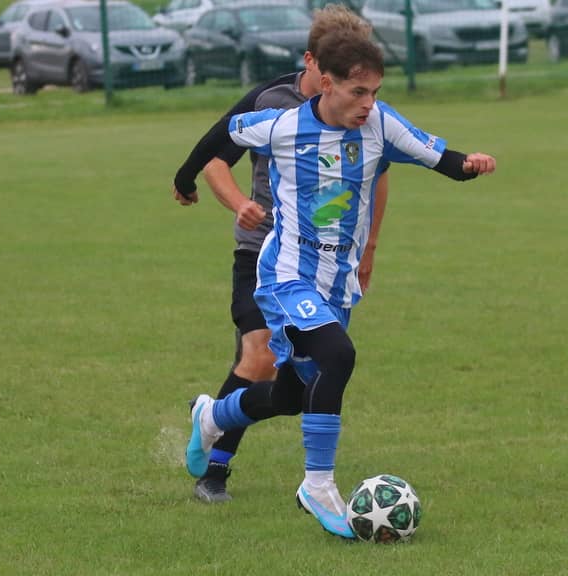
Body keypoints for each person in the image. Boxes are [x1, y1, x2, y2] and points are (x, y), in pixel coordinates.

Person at [185, 30, 496, 538]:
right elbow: (220, 137)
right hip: (286, 275)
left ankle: (213, 417)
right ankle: (318, 485)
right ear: (326, 83)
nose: (368, 103)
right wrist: (185, 179)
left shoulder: (380, 123)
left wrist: (471, 164)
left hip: (336, 285)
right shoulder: (282, 125)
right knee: (339, 355)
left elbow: (442, 160)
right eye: (358, 92)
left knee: (289, 397)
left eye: (374, 92)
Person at [171, 5, 391, 503]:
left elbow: (377, 176)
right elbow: (216, 158)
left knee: (293, 388)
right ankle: (215, 472)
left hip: (327, 263)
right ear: (313, 61)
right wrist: (239, 203)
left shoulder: (362, 108)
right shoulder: (272, 100)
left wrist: (369, 247)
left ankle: (211, 417)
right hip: (265, 253)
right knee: (259, 354)